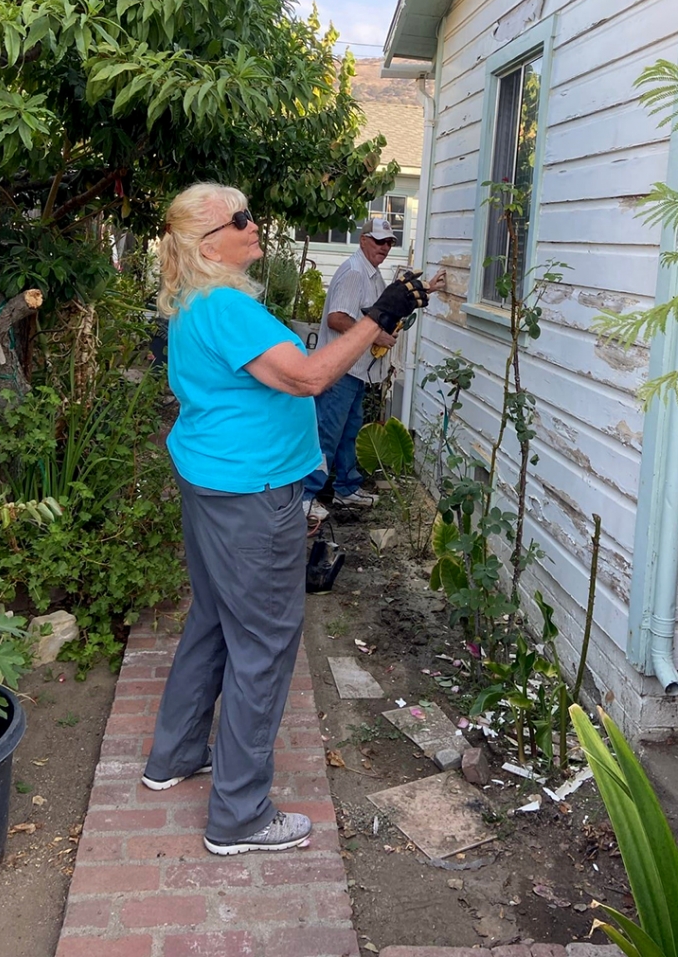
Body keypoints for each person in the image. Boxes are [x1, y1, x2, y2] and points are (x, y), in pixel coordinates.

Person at [142, 182, 439, 854]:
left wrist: (380, 318)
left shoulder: (197, 298)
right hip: (251, 494)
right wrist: (381, 310)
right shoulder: (224, 306)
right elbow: (308, 376)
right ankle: (240, 815)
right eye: (239, 219)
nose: (254, 225)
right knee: (265, 643)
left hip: (212, 480)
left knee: (214, 618)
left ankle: (176, 754)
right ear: (208, 244)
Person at [303, 216, 432, 524]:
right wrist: (376, 336)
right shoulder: (354, 272)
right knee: (325, 435)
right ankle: (305, 497)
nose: (384, 247)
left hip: (356, 370)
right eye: (378, 241)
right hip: (339, 371)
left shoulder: (372, 274)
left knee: (349, 433)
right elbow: (337, 318)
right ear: (363, 240)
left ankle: (346, 488)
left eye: (389, 243)